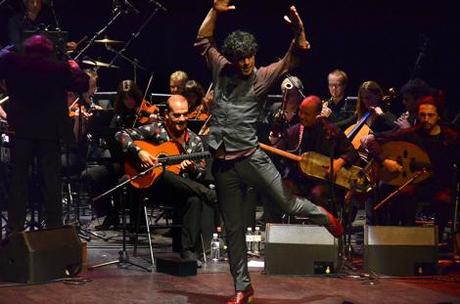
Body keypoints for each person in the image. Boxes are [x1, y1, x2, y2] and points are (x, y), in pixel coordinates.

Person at [195, 1, 343, 302]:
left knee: (288, 205)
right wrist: (215, 11)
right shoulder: (221, 69)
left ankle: (322, 216)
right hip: (223, 163)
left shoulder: (262, 76)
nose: (247, 62)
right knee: (233, 230)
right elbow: (202, 40)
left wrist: (298, 31)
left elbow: (293, 56)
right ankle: (242, 287)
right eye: (241, 59)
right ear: (233, 59)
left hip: (252, 158)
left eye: (250, 57)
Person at [0, 34, 88, 233]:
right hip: (50, 132)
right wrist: (73, 66)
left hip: (21, 130)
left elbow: (3, 57)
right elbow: (82, 84)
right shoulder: (58, 67)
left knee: (18, 182)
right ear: (49, 51)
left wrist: (11, 47)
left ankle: (15, 231)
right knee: (51, 182)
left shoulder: (14, 63)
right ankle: (53, 230)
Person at [115, 95, 216, 260]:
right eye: (177, 115)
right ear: (166, 114)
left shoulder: (195, 141)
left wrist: (191, 168)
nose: (181, 119)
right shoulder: (156, 130)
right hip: (151, 187)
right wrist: (139, 152)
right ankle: (209, 194)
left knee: (194, 199)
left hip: (178, 190)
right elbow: (121, 135)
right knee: (163, 173)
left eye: (184, 114)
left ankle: (187, 250)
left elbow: (200, 173)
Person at [364, 96, 460, 241]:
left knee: (445, 199)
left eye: (431, 115)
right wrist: (381, 154)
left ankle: (436, 240)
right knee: (405, 192)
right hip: (416, 182)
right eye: (422, 115)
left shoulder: (450, 138)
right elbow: (380, 139)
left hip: (440, 185)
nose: (426, 119)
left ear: (438, 115)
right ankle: (408, 238)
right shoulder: (412, 134)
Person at [267, 96, 358, 222]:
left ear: (317, 115)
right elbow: (276, 152)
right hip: (299, 180)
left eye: (307, 114)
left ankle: (326, 227)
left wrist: (338, 162)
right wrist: (275, 134)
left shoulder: (330, 131)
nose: (302, 116)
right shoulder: (295, 131)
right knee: (278, 189)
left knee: (318, 194)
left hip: (324, 183)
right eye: (300, 112)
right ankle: (282, 230)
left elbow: (352, 153)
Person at [7, 0, 77, 53]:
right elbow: (15, 45)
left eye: (38, 2)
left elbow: (54, 41)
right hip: (24, 61)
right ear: (26, 3)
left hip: (46, 60)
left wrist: (65, 46)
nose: (35, 5)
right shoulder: (15, 21)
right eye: (32, 2)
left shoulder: (47, 20)